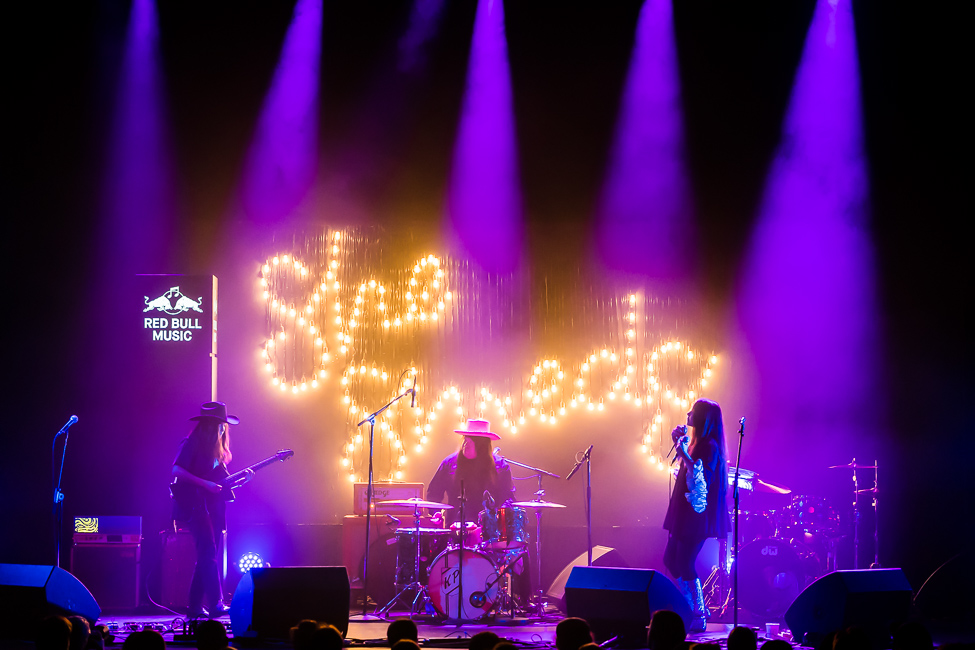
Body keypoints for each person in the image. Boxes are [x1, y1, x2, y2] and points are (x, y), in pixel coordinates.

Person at [171, 401, 252, 618]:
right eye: (219, 425)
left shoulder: (217, 451)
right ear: (210, 426)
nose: (223, 429)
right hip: (195, 505)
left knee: (208, 555)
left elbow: (221, 483)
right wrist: (204, 484)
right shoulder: (192, 443)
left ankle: (195, 607)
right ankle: (216, 603)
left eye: (223, 425)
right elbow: (177, 469)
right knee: (208, 553)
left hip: (212, 507)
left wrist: (242, 481)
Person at [662, 399, 730, 632]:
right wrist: (679, 446)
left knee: (685, 562)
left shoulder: (709, 446)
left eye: (693, 411)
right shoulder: (697, 442)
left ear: (703, 418)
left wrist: (683, 453)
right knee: (671, 560)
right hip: (684, 512)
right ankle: (690, 606)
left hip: (696, 516)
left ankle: (698, 614)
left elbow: (703, 481)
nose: (688, 413)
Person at [426, 419, 515, 525]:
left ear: (481, 446)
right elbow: (434, 493)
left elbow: (508, 498)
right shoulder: (449, 463)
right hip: (455, 528)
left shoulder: (500, 466)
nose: (465, 445)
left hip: (489, 530)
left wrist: (499, 519)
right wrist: (436, 513)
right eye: (464, 440)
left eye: (470, 442)